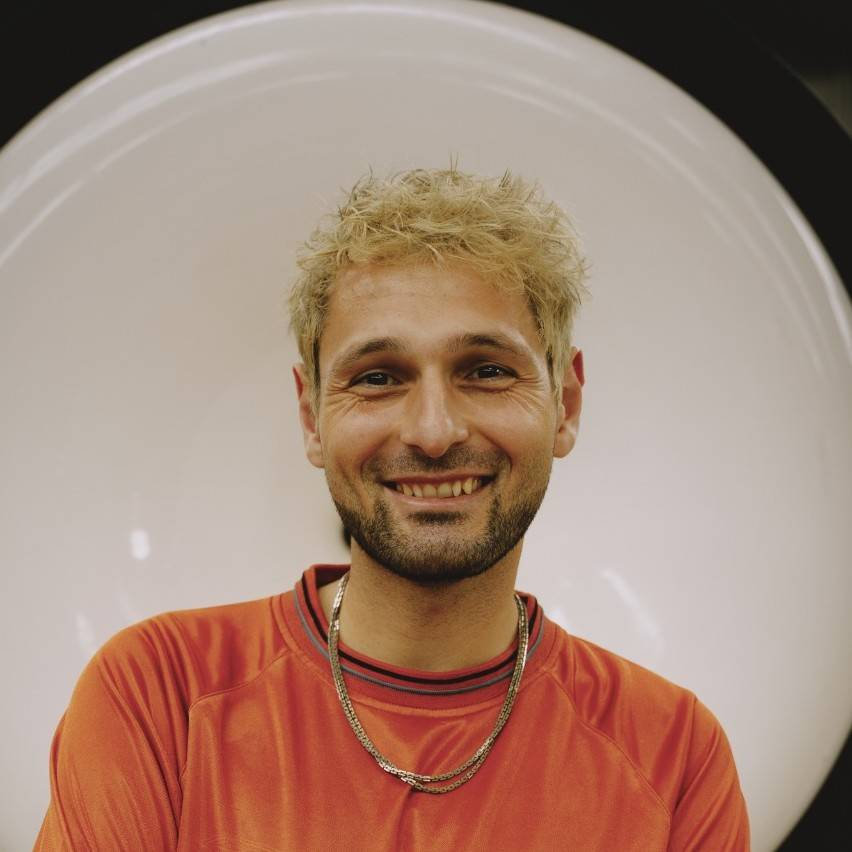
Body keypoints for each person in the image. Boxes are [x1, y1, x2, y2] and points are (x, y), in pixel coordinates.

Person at [35, 165, 750, 850]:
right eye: (378, 378)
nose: (434, 432)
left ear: (564, 403)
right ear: (312, 417)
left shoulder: (674, 753)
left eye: (487, 371)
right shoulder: (159, 693)